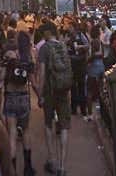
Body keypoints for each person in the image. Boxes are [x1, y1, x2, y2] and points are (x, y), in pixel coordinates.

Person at [37, 23, 72, 176]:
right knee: (64, 126)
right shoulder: (62, 46)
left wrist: (40, 93)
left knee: (48, 123)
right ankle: (63, 166)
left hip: (50, 90)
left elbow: (42, 73)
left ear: (47, 32)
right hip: (63, 89)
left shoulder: (44, 48)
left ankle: (52, 160)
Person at [2, 29, 35, 175]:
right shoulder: (28, 57)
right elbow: (33, 81)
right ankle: (28, 168)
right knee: (26, 130)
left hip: (10, 95)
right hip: (23, 97)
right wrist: (40, 96)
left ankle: (12, 170)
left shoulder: (9, 55)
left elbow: (1, 75)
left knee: (12, 134)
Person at [66, 21, 89, 119]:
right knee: (73, 87)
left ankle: (83, 109)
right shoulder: (69, 37)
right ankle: (74, 108)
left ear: (74, 28)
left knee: (81, 86)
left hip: (80, 64)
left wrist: (80, 47)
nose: (69, 28)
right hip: (72, 64)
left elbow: (88, 45)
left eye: (70, 27)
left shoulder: (81, 35)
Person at [85, 25, 105, 117]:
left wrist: (87, 60)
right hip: (101, 66)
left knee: (89, 91)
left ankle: (89, 113)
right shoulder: (100, 42)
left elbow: (93, 55)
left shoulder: (94, 42)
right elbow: (102, 54)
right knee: (100, 90)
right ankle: (101, 111)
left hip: (93, 68)